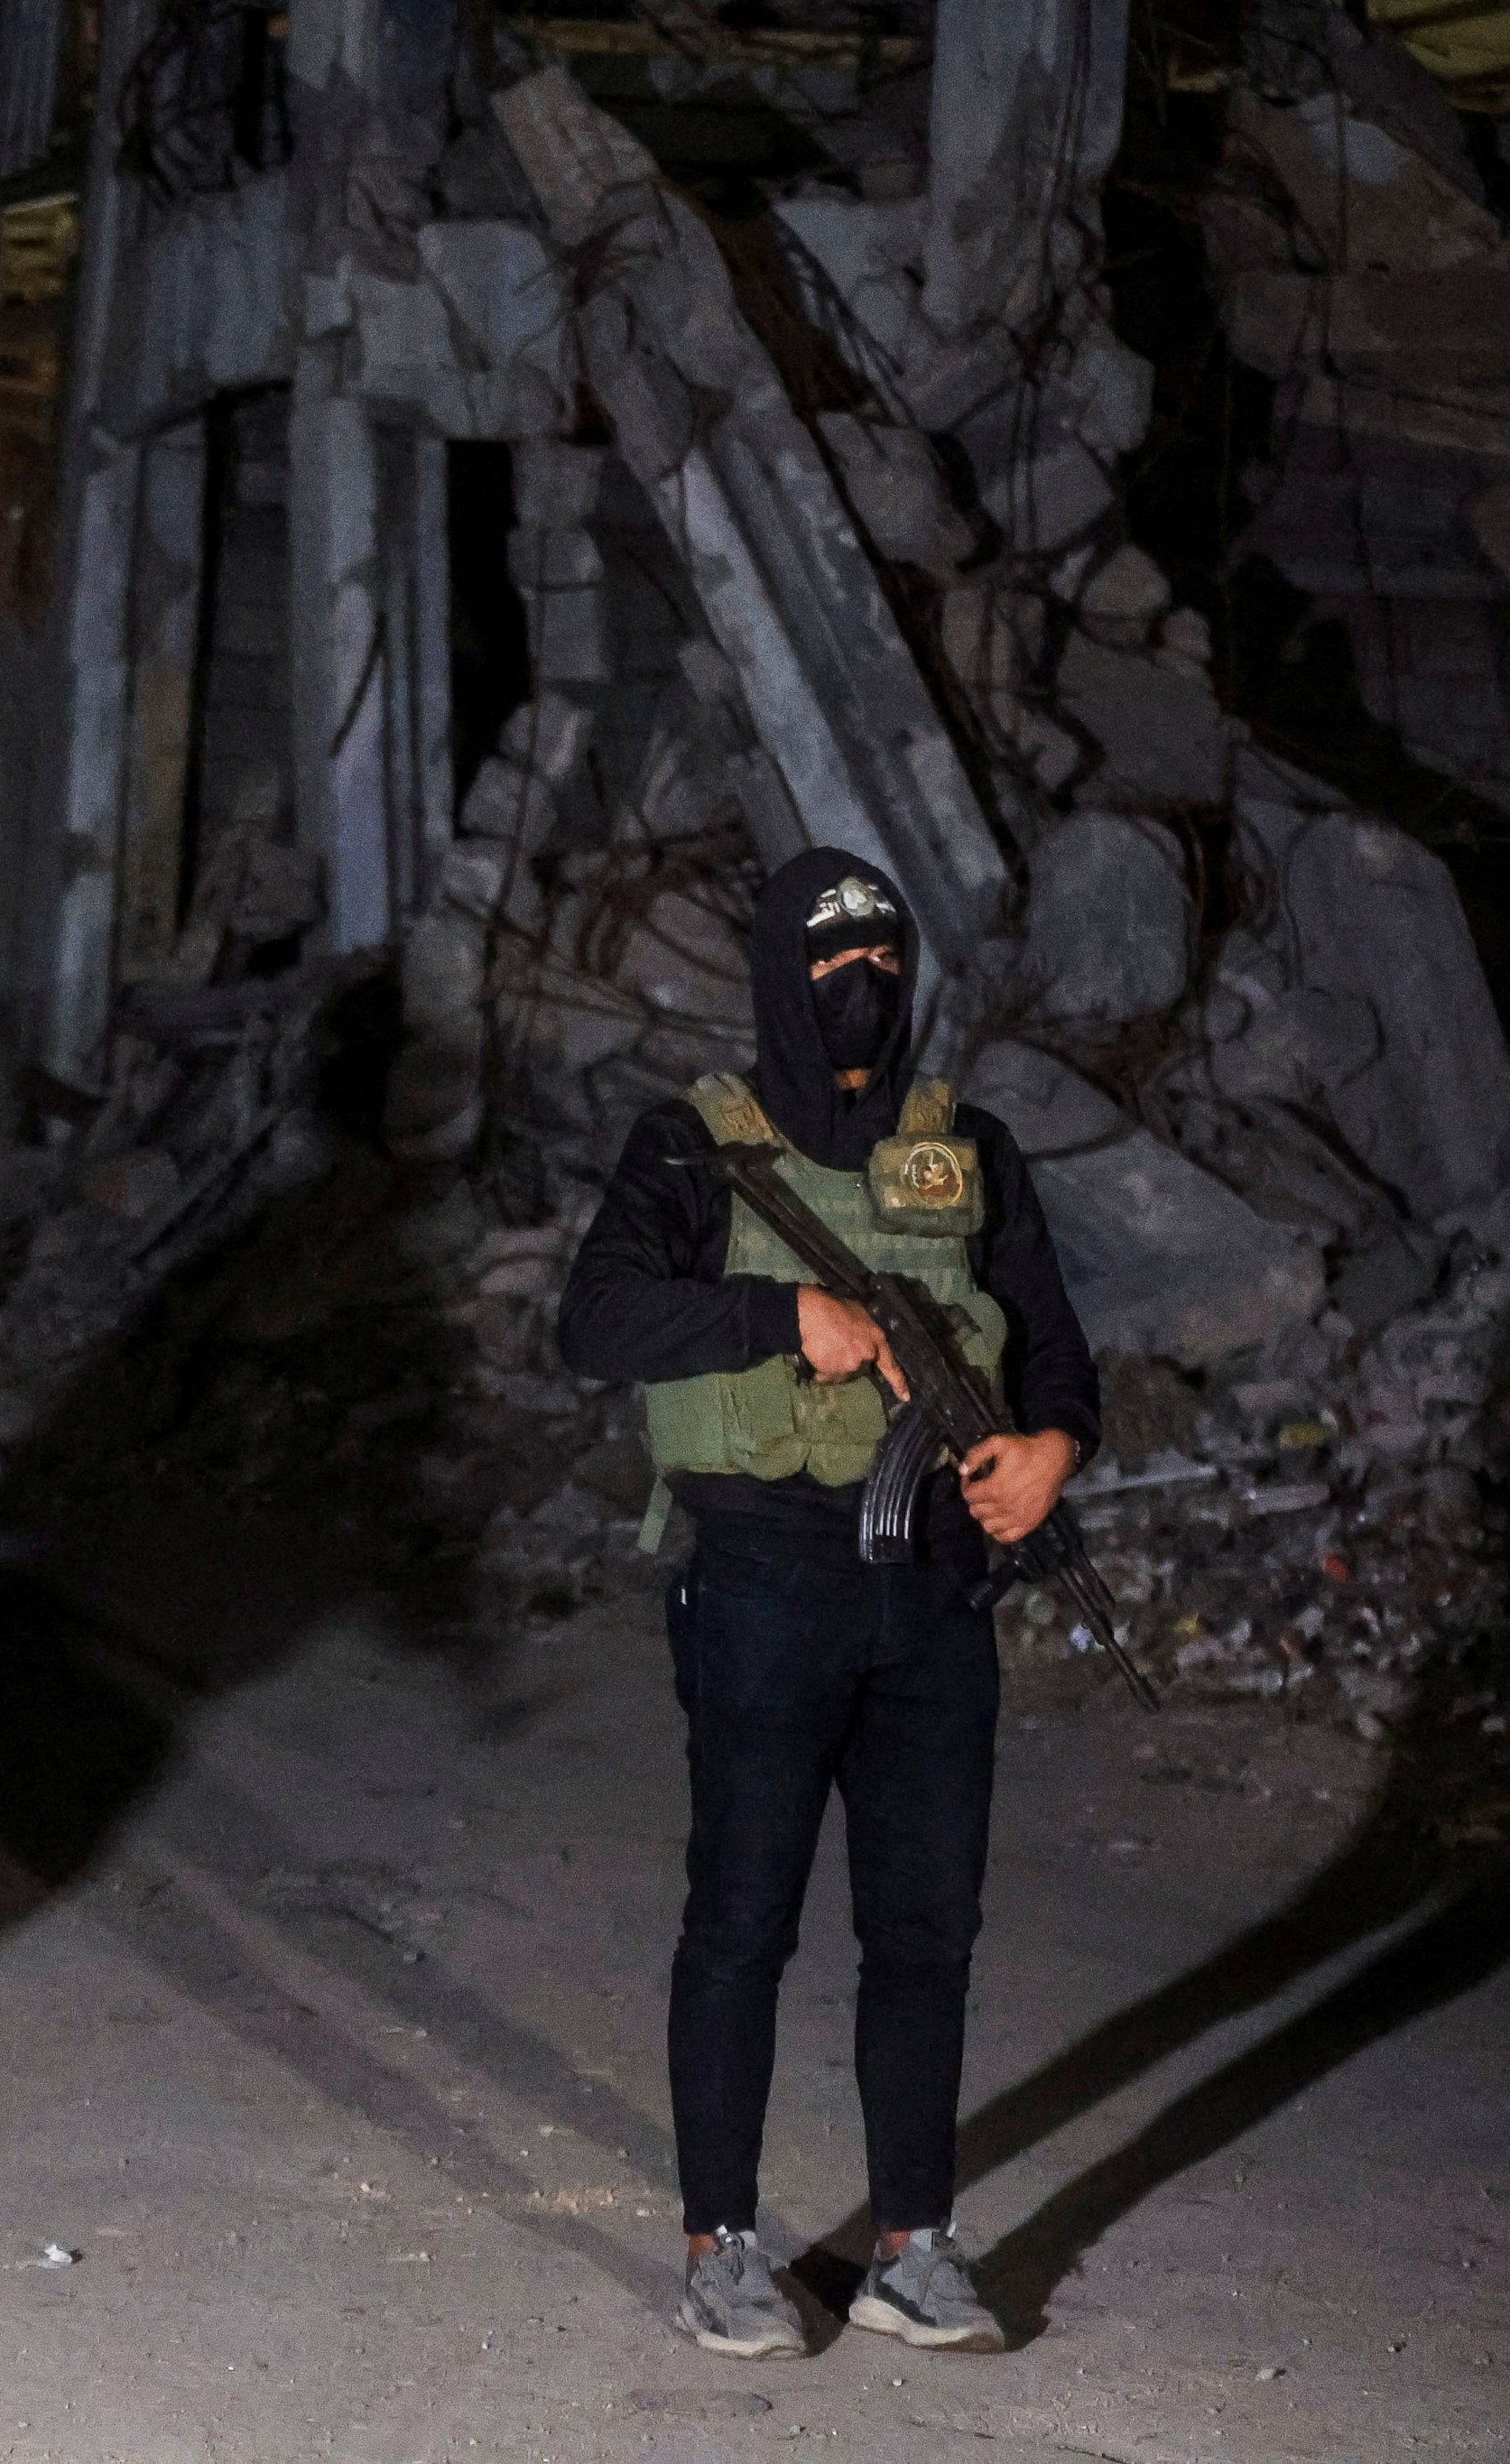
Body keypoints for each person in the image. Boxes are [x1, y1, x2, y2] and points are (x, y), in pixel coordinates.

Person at [554, 848, 1101, 2362]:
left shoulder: (968, 1148)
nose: (858, 989)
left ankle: (911, 2243)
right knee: (741, 1920)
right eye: (825, 962)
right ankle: (721, 2242)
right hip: (761, 1585)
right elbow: (592, 1316)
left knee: (928, 1930)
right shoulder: (693, 1145)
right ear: (776, 977)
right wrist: (775, 1313)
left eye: (881, 961)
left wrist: (1050, 1454)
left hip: (933, 1589)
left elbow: (1054, 1344)